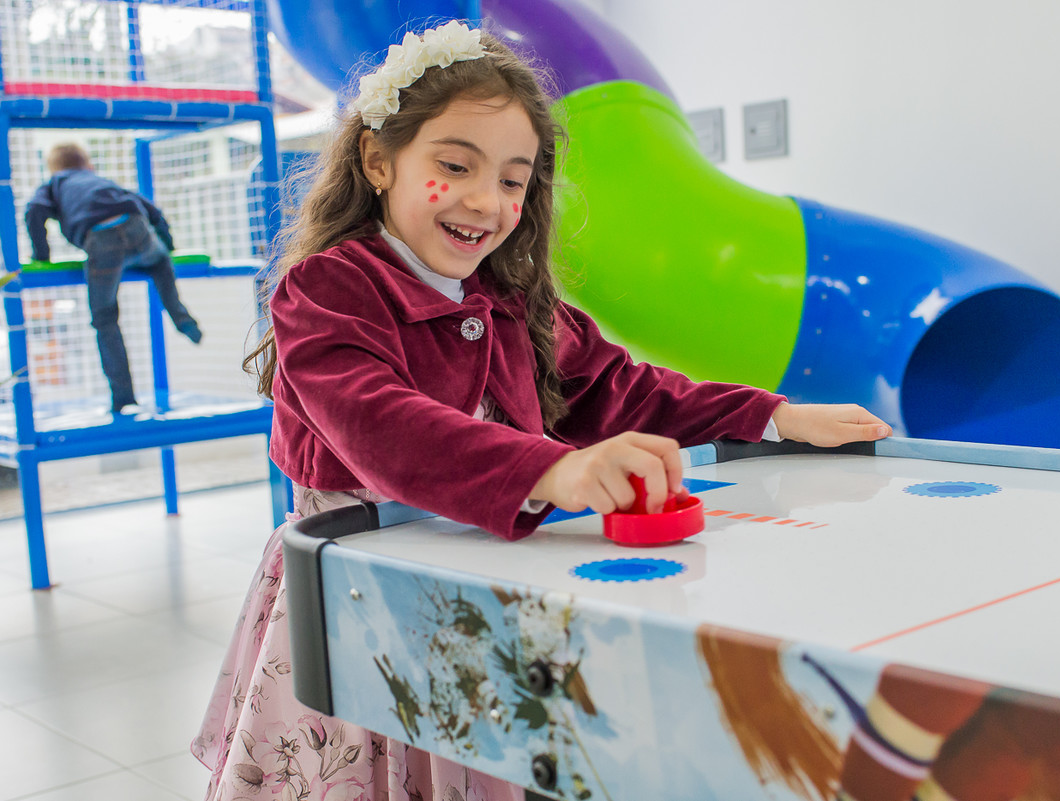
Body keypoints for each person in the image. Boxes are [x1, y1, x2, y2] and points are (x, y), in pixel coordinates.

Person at [192, 20, 892, 801]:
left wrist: (772, 414)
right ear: (378, 160)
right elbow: (382, 426)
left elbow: (625, 388)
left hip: (483, 591)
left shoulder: (514, 299)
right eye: (454, 166)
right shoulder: (330, 289)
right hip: (359, 603)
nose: (486, 201)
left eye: (513, 180)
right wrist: (554, 469)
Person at [24, 142, 202, 414]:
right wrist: (169, 244)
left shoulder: (54, 183)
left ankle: (124, 398)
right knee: (160, 261)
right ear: (88, 166)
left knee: (105, 318)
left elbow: (34, 210)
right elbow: (151, 210)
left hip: (101, 239)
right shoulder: (101, 181)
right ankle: (181, 317)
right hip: (136, 225)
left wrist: (42, 256)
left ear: (53, 169)